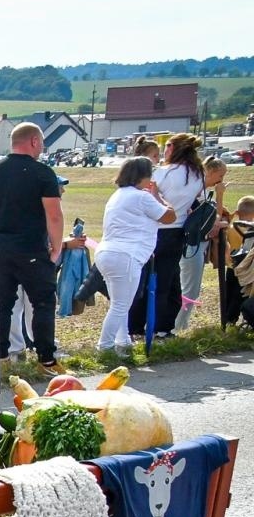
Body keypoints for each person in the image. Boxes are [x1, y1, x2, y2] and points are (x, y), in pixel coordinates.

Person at [0, 123, 64, 373]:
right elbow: (54, 215)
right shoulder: (42, 173)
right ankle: (47, 359)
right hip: (30, 247)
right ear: (35, 141)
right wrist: (56, 247)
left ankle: (0, 356)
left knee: (3, 303)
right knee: (43, 302)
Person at [92, 157, 175, 354]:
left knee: (119, 303)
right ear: (143, 176)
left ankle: (123, 342)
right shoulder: (142, 197)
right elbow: (170, 216)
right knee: (121, 305)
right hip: (126, 256)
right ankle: (105, 347)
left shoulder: (118, 194)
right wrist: (158, 196)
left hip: (107, 252)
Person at [128, 132, 205, 341]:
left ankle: (135, 326)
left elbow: (145, 195)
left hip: (155, 229)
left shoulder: (163, 173)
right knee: (169, 281)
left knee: (146, 281)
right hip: (178, 231)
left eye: (169, 146)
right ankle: (163, 327)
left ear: (175, 148)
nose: (165, 150)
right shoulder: (198, 175)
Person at [175, 156, 227, 331]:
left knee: (189, 287)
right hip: (192, 245)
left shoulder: (200, 190)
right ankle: (178, 326)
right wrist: (219, 196)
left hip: (196, 245)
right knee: (189, 289)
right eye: (221, 175)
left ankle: (179, 324)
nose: (222, 180)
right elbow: (216, 218)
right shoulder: (199, 192)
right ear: (211, 172)